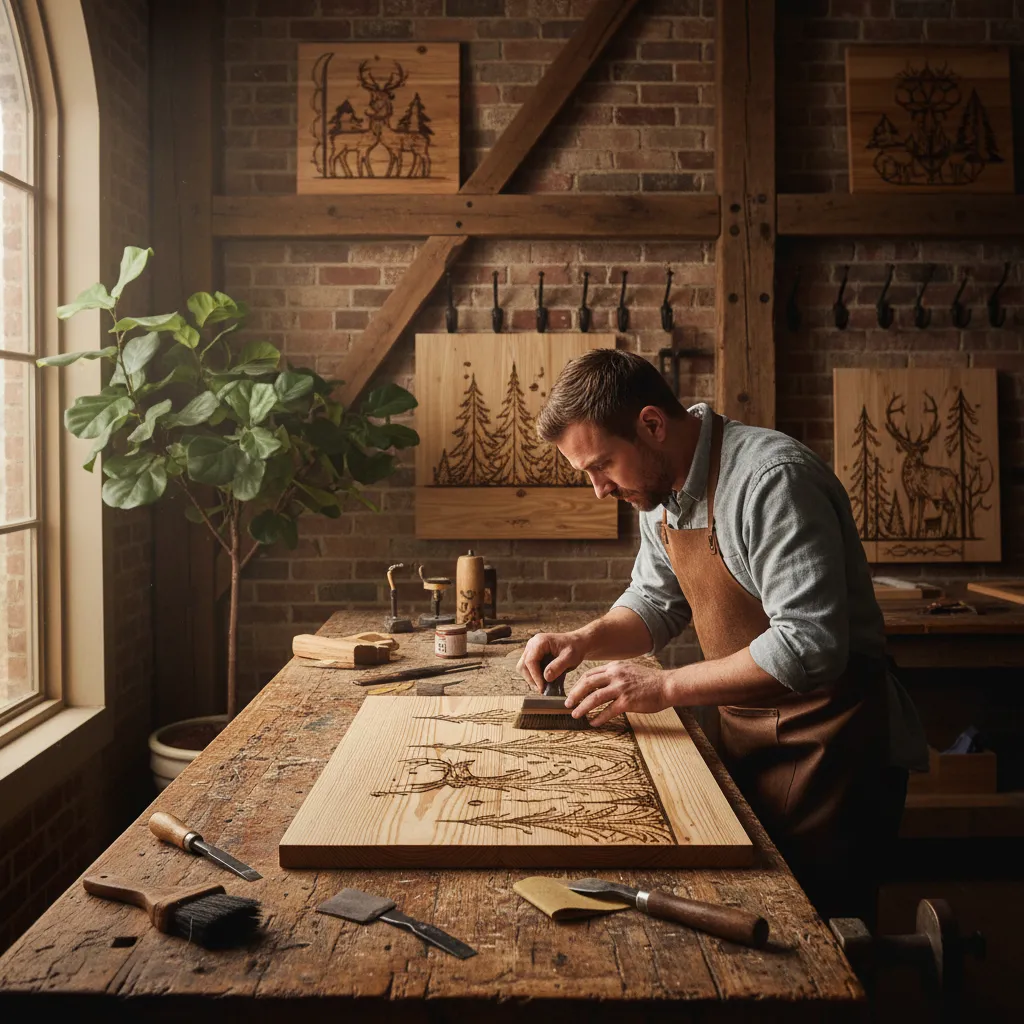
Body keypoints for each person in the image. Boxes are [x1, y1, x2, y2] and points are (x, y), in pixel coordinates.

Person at [517, 349, 927, 924]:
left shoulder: (771, 480)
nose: (598, 489)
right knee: (753, 914)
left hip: (833, 744)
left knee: (820, 936)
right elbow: (654, 603)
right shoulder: (657, 492)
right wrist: (583, 639)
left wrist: (661, 688)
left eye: (602, 465)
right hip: (746, 730)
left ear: (652, 425)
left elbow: (809, 643)